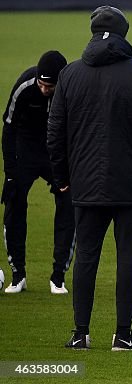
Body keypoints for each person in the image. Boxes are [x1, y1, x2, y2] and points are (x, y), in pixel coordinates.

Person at [48, 6, 132, 350]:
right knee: (128, 257)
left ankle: (80, 333)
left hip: (85, 183)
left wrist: (61, 174)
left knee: (86, 256)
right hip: (131, 184)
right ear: (124, 34)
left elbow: (55, 131)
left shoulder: (70, 74)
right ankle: (122, 333)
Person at [3, 50, 73, 294]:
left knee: (68, 203)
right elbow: (8, 129)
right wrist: (10, 173)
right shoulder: (25, 86)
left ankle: (58, 277)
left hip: (56, 153)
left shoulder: (70, 90)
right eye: (42, 85)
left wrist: (68, 167)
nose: (45, 90)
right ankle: (18, 274)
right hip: (26, 149)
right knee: (14, 201)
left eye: (50, 86)